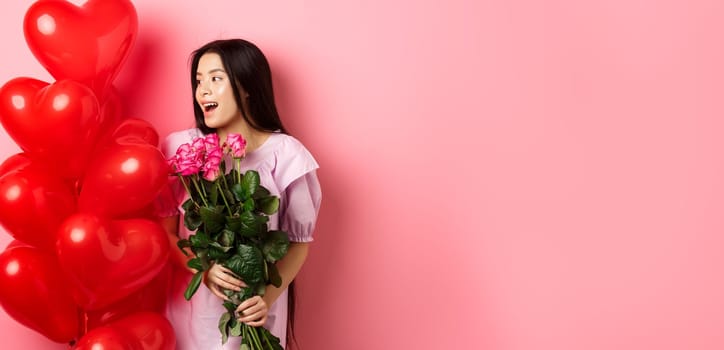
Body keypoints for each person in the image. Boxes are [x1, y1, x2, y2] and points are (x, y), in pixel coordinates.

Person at [155, 38, 322, 349]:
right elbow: (164, 234)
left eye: (215, 79)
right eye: (198, 81)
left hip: (255, 316)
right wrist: (203, 269)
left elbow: (298, 244)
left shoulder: (286, 155)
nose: (202, 90)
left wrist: (266, 298)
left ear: (246, 87)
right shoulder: (180, 149)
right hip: (193, 317)